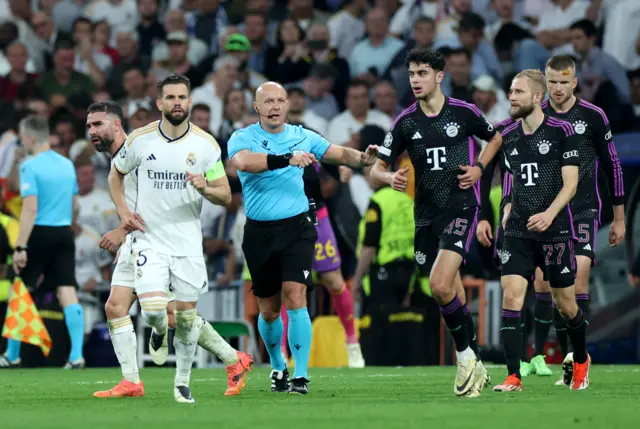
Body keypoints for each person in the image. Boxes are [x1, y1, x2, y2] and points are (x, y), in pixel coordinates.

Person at [87, 101, 253, 398]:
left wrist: (120, 229)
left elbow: (157, 209)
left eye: (97, 125)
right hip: (137, 242)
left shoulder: (143, 152)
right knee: (115, 307)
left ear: (116, 125)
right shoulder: (121, 160)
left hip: (163, 245)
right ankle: (132, 382)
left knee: (174, 316)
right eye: (89, 126)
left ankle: (232, 358)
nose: (91, 131)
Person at [228, 81, 379, 394]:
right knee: (268, 311)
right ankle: (278, 366)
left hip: (297, 227)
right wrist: (287, 158)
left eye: (280, 101)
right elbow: (243, 162)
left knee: (296, 297)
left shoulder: (303, 135)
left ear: (287, 105)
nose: (275, 107)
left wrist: (362, 159)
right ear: (256, 107)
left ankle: (300, 374)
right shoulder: (243, 137)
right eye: (268, 101)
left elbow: (336, 153)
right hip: (258, 231)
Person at [370, 48, 503, 397]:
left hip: (461, 207)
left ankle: (463, 358)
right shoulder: (405, 121)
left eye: (422, 73)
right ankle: (476, 361)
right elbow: (376, 166)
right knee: (448, 289)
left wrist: (478, 169)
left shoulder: (463, 112)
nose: (415, 80)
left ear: (439, 76)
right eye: (412, 74)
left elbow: (495, 138)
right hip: (425, 216)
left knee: (440, 285)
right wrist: (388, 179)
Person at [492, 69, 590, 392]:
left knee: (566, 304)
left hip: (555, 229)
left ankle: (581, 358)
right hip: (519, 229)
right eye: (510, 90)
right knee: (511, 296)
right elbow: (512, 179)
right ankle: (512, 376)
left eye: (518, 92)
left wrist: (549, 214)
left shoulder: (563, 132)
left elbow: (571, 184)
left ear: (537, 97)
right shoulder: (506, 136)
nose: (511, 97)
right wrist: (506, 206)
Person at [536, 55, 626, 386]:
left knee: (578, 281)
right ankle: (570, 359)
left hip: (584, 209)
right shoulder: (536, 116)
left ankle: (579, 364)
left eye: (564, 81)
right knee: (557, 291)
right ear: (544, 82)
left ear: (574, 82)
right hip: (547, 213)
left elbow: (613, 165)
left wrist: (619, 218)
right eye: (552, 81)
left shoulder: (592, 116)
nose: (557, 88)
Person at [1, 116, 85, 369]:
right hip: (63, 233)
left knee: (21, 290)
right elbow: (74, 206)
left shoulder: (30, 166)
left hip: (40, 233)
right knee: (67, 290)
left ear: (29, 138)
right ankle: (77, 355)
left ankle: (12, 354)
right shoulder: (67, 164)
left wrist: (20, 247)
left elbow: (30, 209)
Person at [280, 161, 365, 368]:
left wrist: (339, 169)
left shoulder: (306, 137)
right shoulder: (263, 146)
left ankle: (352, 342)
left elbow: (330, 156)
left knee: (334, 282)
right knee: (289, 286)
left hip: (315, 215)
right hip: (284, 218)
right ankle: (281, 352)